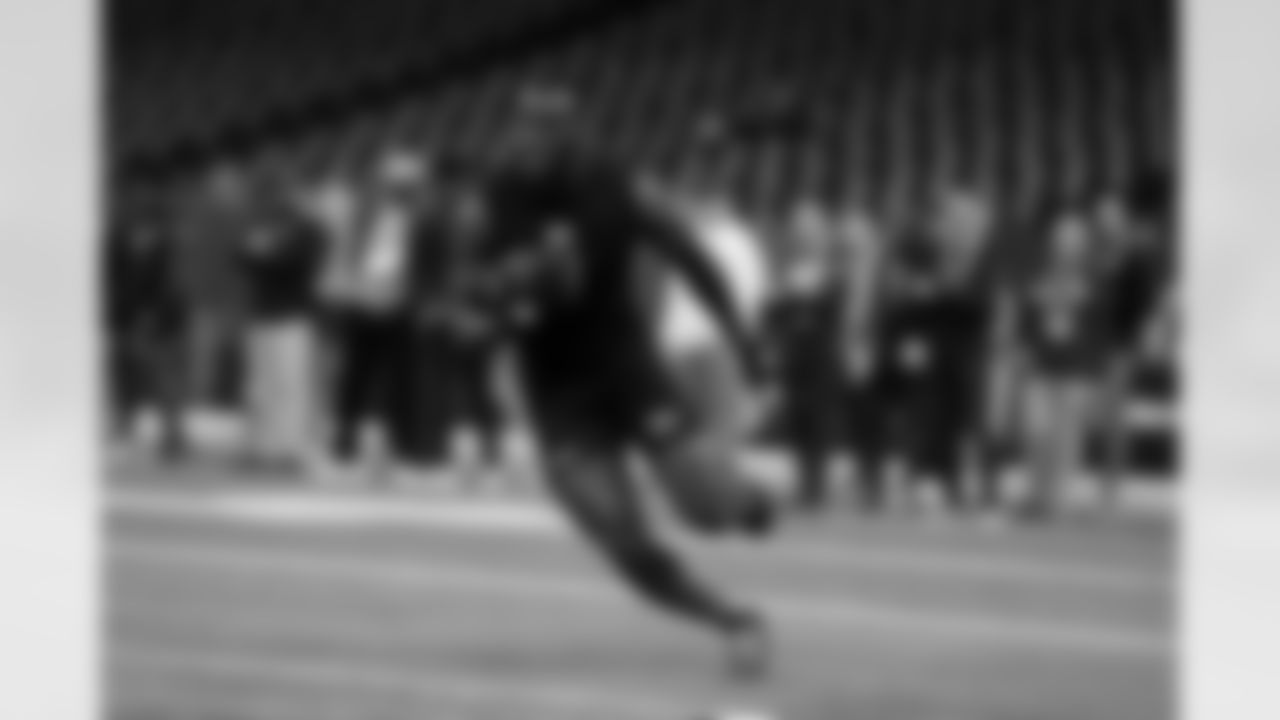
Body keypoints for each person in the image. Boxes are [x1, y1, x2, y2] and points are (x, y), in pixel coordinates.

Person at [462, 91, 775, 680]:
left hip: (627, 371)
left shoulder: (613, 187)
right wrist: (492, 306)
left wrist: (741, 337)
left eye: (543, 132)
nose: (528, 143)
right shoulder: (500, 194)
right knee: (621, 540)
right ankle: (734, 619)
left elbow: (688, 253)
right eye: (522, 129)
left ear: (569, 138)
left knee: (707, 508)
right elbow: (475, 294)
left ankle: (749, 501)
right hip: (559, 393)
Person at [1013, 202, 1109, 520]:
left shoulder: (1094, 281)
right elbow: (1026, 321)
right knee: (1036, 433)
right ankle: (1035, 494)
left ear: (1082, 244)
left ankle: (1055, 501)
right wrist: (1025, 351)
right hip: (1040, 367)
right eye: (1060, 239)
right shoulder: (1038, 277)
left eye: (1072, 240)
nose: (1065, 246)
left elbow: (1099, 331)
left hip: (1076, 371)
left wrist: (1094, 377)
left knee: (1065, 439)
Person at [236, 180, 326, 474]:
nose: (286, 203)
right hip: (262, 314)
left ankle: (290, 448)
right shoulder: (268, 229)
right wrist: (260, 252)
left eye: (294, 198)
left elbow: (290, 263)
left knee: (291, 385)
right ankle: (260, 445)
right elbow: (240, 258)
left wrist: (262, 254)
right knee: (259, 384)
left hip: (293, 317)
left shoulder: (310, 233)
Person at [767, 200, 845, 510]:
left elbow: (838, 315)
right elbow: (773, 316)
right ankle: (803, 482)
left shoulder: (832, 274)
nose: (803, 237)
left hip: (821, 355)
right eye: (798, 230)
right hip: (793, 356)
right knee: (798, 419)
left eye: (809, 231)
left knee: (819, 420)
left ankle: (818, 485)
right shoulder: (785, 275)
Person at [105, 189, 187, 458]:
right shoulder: (118, 241)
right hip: (127, 317)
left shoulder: (170, 247)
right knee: (126, 371)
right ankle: (126, 421)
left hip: (162, 322)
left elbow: (170, 287)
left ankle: (172, 435)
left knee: (164, 377)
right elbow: (114, 279)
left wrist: (151, 316)